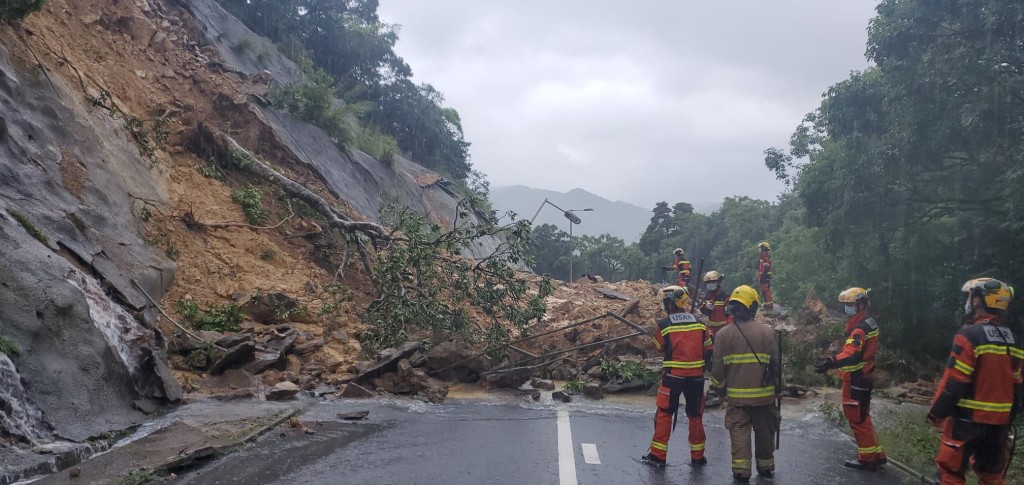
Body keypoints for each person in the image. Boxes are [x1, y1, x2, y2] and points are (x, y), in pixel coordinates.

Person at [928, 278, 1021, 485]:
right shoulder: (1013, 339)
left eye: (970, 296)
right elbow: (1017, 384)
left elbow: (954, 382)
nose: (968, 302)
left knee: (950, 473)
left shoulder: (969, 335)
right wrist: (1009, 418)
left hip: (966, 421)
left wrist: (937, 412)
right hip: (999, 424)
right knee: (991, 476)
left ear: (980, 301)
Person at [711, 285, 780, 482]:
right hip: (765, 398)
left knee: (739, 433)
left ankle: (741, 472)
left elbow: (717, 369)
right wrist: (778, 389)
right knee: (766, 433)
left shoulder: (723, 335)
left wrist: (720, 390)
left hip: (737, 399)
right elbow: (776, 366)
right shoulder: (767, 333)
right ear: (752, 308)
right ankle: (766, 467)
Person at [814, 287, 886, 470]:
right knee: (863, 416)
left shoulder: (860, 329)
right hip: (864, 376)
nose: (848, 308)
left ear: (861, 304)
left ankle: (867, 458)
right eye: (846, 305)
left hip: (856, 378)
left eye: (851, 305)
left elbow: (852, 354)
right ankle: (876, 453)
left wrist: (831, 362)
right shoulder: (868, 322)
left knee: (856, 418)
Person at [641, 285, 713, 468]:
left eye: (666, 302)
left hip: (673, 377)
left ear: (671, 303)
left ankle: (658, 456)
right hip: (696, 378)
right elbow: (709, 347)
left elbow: (658, 346)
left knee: (665, 414)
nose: (665, 305)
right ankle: (697, 457)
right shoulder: (700, 323)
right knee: (695, 416)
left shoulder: (664, 325)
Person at [700, 271, 729, 337]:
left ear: (718, 282)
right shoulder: (708, 295)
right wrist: (705, 306)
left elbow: (730, 315)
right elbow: (702, 309)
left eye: (712, 282)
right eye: (708, 283)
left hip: (724, 329)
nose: (710, 284)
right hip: (712, 329)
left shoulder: (725, 296)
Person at [756, 242, 773, 310]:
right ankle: (766, 303)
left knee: (766, 290)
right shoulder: (764, 257)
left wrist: (762, 276)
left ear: (764, 248)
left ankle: (768, 305)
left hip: (765, 277)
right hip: (764, 277)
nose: (760, 250)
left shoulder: (765, 257)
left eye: (761, 248)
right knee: (764, 290)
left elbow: (765, 268)